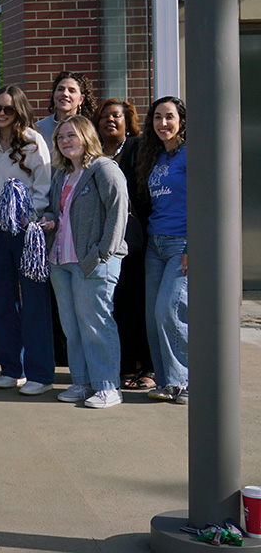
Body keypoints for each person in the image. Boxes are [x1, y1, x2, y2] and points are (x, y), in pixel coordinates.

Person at [39, 117, 129, 409]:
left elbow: (118, 212)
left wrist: (102, 254)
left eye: (71, 135)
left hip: (92, 262)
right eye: (61, 137)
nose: (65, 141)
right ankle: (82, 382)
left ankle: (107, 387)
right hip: (61, 262)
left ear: (87, 136)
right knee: (73, 327)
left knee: (96, 325)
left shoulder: (104, 169)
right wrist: (49, 221)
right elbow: (57, 211)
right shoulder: (61, 174)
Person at [0, 85, 54, 395]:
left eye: (8, 109)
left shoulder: (33, 142)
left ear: (19, 111)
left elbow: (43, 186)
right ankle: (12, 368)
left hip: (26, 231)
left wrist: (29, 218)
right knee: (2, 302)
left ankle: (40, 373)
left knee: (34, 302)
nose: (0, 113)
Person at [96, 98, 153, 391]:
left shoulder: (137, 148)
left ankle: (147, 368)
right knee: (116, 305)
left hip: (134, 240)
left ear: (127, 119)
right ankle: (125, 365)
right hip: (105, 240)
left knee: (137, 302)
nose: (110, 120)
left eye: (116, 116)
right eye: (104, 116)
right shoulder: (94, 153)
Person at [137, 96, 188, 405]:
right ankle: (167, 380)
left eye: (169, 117)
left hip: (181, 243)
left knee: (169, 312)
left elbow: (205, 202)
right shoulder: (156, 158)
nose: (163, 123)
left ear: (181, 120)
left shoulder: (190, 155)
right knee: (152, 316)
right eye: (157, 117)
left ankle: (184, 382)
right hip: (155, 244)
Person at [35, 71, 97, 146]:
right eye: (60, 89)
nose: (65, 94)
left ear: (81, 99)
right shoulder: (39, 128)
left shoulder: (91, 128)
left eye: (71, 91)